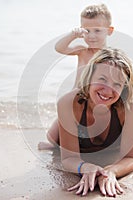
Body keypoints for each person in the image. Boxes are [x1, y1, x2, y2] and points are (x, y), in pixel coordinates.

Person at [57, 47, 133, 197]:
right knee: (50, 140)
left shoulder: (132, 105)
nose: (108, 90)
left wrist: (110, 171)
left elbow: (131, 158)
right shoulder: (67, 103)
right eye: (102, 79)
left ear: (124, 88)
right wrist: (85, 167)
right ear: (89, 78)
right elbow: (69, 158)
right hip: (66, 131)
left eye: (117, 84)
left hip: (112, 143)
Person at [38, 4, 114, 150]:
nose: (91, 36)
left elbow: (121, 76)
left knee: (108, 125)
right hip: (76, 100)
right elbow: (59, 48)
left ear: (109, 31)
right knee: (52, 137)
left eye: (97, 30)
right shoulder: (83, 51)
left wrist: (132, 91)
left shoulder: (110, 56)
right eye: (87, 31)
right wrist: (72, 35)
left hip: (98, 102)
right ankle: (57, 145)